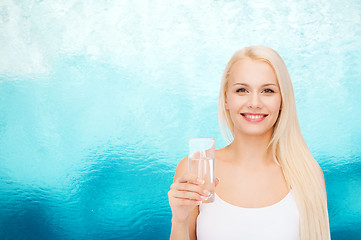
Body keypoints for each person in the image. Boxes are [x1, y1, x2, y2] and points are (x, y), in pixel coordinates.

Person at [168, 45, 330, 240]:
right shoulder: (195, 168)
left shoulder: (308, 174)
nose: (254, 102)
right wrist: (179, 219)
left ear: (283, 101)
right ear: (226, 99)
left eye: (268, 90)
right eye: (242, 90)